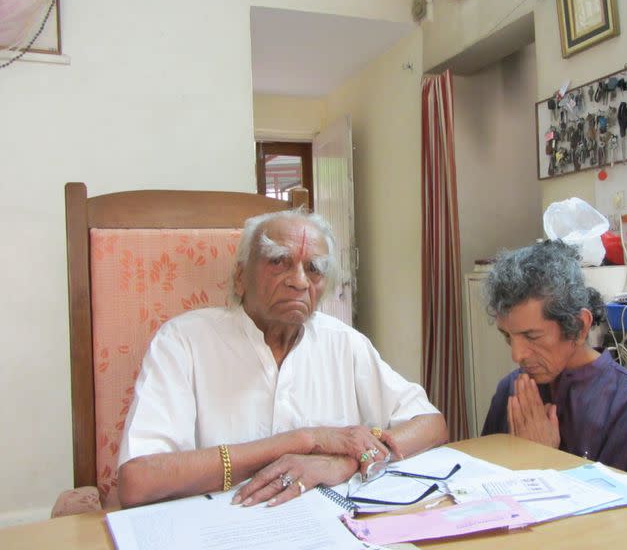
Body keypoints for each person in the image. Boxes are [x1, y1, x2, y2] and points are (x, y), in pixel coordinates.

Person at [117, 209, 448, 508]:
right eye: (279, 261)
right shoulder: (184, 341)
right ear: (240, 278)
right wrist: (307, 440)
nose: (299, 281)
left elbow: (430, 424)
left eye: (314, 268)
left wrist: (341, 463)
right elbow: (138, 481)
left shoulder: (344, 343)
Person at [481, 240, 627, 487]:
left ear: (578, 326)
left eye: (532, 337)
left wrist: (544, 462)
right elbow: (485, 489)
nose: (517, 355)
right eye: (507, 336)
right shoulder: (510, 391)